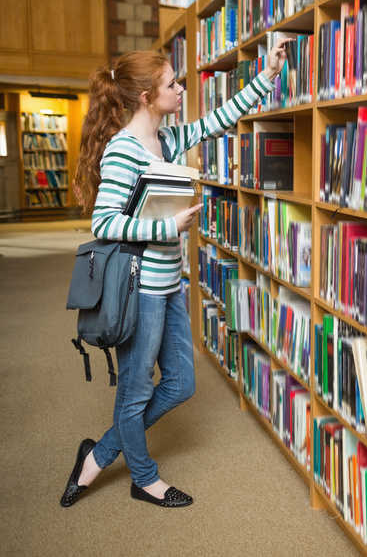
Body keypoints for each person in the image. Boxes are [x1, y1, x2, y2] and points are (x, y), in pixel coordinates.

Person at [61, 38, 291, 508]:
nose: (181, 87)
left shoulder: (164, 139)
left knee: (182, 383)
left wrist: (267, 74)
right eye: (172, 83)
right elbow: (103, 223)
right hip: (139, 288)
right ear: (147, 96)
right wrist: (168, 224)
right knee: (135, 390)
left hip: (171, 283)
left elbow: (217, 120)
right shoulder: (123, 150)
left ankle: (99, 454)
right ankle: (143, 477)